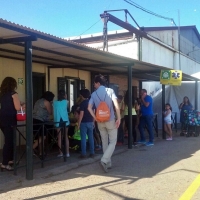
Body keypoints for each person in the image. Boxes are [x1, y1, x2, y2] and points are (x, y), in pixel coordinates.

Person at [88, 74, 120, 173]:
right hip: (110, 119)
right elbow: (116, 105)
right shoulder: (110, 91)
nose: (94, 85)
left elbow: (89, 108)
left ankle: (108, 163)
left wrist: (95, 118)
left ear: (98, 83)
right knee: (113, 141)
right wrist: (119, 118)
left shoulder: (93, 94)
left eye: (94, 83)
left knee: (104, 141)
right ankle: (104, 160)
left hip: (100, 121)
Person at [0, 77, 24, 171]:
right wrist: (23, 105)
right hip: (10, 119)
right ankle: (5, 163)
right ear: (13, 84)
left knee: (10, 139)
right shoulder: (14, 94)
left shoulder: (2, 94)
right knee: (9, 141)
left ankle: (10, 160)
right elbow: (18, 108)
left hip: (2, 119)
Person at [33, 91, 55, 156]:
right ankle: (31, 149)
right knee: (43, 137)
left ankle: (41, 152)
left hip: (33, 120)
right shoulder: (47, 102)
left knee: (39, 137)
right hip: (40, 121)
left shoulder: (38, 101)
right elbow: (50, 112)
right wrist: (51, 104)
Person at [78, 89, 95, 158]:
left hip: (84, 123)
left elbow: (81, 115)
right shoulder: (92, 103)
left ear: (82, 96)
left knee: (83, 138)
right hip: (91, 121)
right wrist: (94, 122)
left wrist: (78, 124)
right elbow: (94, 113)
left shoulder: (82, 104)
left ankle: (83, 153)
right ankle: (92, 152)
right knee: (91, 137)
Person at [53, 90, 70, 158]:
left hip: (57, 120)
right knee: (66, 136)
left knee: (59, 137)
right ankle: (67, 153)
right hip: (65, 120)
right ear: (64, 95)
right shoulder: (66, 102)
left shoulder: (54, 103)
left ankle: (60, 153)